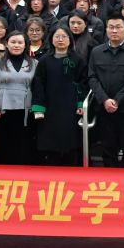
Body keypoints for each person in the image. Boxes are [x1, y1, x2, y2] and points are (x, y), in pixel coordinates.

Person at [88, 15, 124, 168]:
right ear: (106, 29)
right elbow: (92, 77)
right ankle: (109, 180)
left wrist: (118, 99)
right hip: (104, 108)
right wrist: (105, 99)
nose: (114, 31)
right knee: (108, 149)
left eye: (118, 27)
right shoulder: (96, 52)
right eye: (111, 27)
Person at [31, 24, 88, 166]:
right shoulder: (44, 60)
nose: (60, 39)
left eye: (64, 36)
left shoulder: (78, 60)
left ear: (70, 40)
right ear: (51, 39)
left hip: (71, 107)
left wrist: (80, 104)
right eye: (57, 36)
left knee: (71, 143)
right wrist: (39, 108)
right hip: (50, 107)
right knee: (51, 144)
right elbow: (38, 84)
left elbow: (83, 83)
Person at [0, 31, 37, 165]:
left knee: (25, 141)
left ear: (25, 45)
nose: (16, 45)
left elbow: (36, 87)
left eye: (20, 42)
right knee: (6, 140)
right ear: (6, 44)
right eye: (13, 42)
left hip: (26, 108)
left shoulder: (34, 63)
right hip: (4, 108)